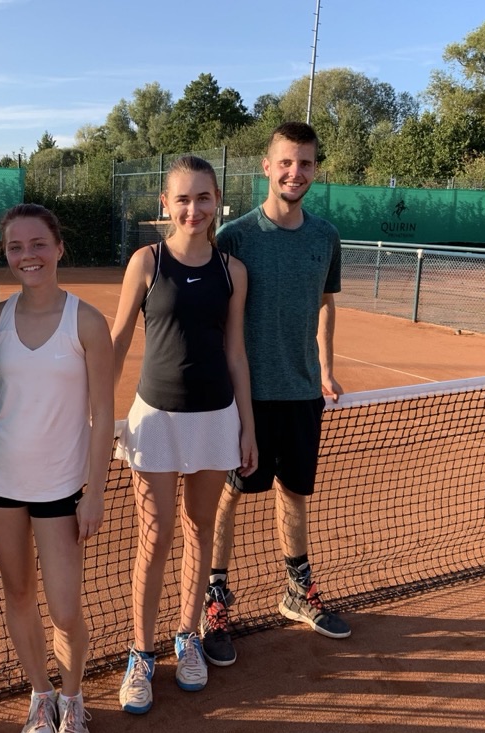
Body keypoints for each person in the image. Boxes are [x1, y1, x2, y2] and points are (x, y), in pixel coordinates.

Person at [199, 122, 350, 670]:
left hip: (302, 394)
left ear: (315, 169)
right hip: (247, 398)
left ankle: (297, 591)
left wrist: (325, 368)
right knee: (229, 495)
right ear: (267, 167)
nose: (295, 172)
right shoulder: (235, 236)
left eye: (305, 163)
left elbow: (326, 303)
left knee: (295, 493)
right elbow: (212, 314)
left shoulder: (326, 237)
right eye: (286, 162)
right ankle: (215, 600)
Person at [111, 155, 257, 715]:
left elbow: (235, 353)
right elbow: (119, 340)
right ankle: (141, 654)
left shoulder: (232, 271)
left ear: (217, 201)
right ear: (165, 204)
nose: (193, 209)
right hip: (155, 420)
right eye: (182, 199)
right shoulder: (146, 262)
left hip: (216, 419)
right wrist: (96, 414)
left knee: (200, 531)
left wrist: (246, 427)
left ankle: (188, 637)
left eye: (203, 198)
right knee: (155, 538)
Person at [0, 203, 113, 733]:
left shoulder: (88, 322)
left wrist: (95, 492)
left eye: (38, 244)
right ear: (6, 254)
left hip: (61, 487)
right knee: (18, 593)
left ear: (58, 248)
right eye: (15, 247)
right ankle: (40, 697)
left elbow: (103, 413)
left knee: (65, 608)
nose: (27, 255)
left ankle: (72, 700)